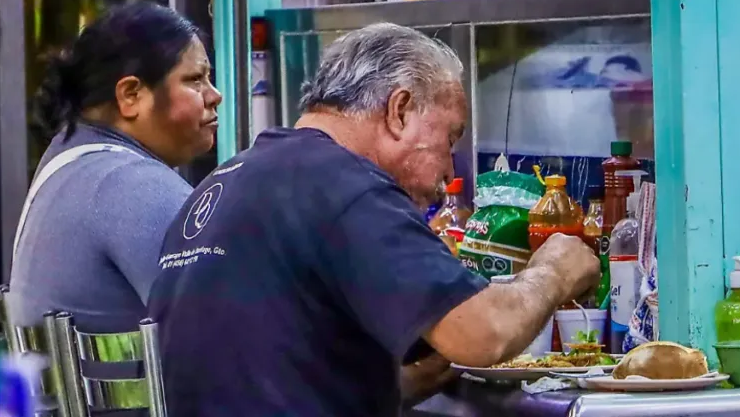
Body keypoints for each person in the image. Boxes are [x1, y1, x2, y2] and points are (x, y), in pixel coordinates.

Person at [148, 23, 600, 416]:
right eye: (449, 137)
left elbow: (273, 377)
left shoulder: (230, 179)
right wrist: (554, 270)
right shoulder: (344, 184)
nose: (449, 171)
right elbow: (482, 335)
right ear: (399, 110)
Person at [9, 2, 221, 333]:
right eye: (195, 80)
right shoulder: (129, 183)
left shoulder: (71, 161)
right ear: (131, 95)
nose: (214, 95)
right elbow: (229, 328)